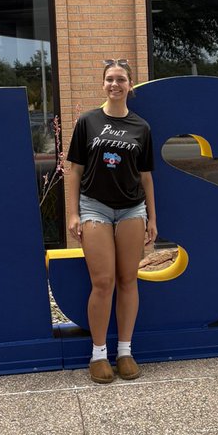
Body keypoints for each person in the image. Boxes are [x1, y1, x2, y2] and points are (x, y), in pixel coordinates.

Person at [66, 60, 157, 383]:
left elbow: (145, 177)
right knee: (103, 282)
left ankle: (125, 351)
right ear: (102, 84)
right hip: (95, 208)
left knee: (128, 279)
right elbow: (74, 170)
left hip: (133, 210)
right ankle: (99, 353)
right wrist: (73, 213)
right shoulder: (88, 121)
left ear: (130, 85)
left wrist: (152, 218)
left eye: (120, 79)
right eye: (109, 79)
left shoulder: (141, 127)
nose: (114, 84)